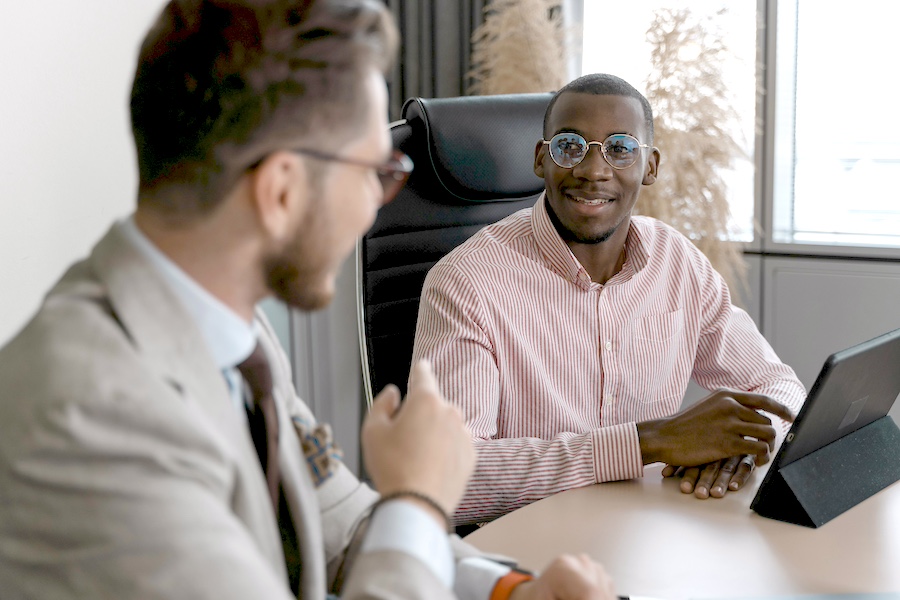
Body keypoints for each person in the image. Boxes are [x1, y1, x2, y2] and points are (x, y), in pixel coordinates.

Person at [0, 3, 616, 599]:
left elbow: (341, 528)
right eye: (374, 172)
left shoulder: (236, 334)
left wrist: (508, 589)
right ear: (282, 191)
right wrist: (421, 500)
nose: (375, 204)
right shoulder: (86, 417)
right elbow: (395, 528)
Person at [412, 73, 807, 526]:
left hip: (649, 531)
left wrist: (742, 445)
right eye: (569, 146)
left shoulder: (677, 261)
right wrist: (646, 443)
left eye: (619, 148)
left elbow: (779, 388)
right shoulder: (467, 282)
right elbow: (447, 477)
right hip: (531, 550)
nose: (593, 170)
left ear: (651, 166)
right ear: (542, 160)